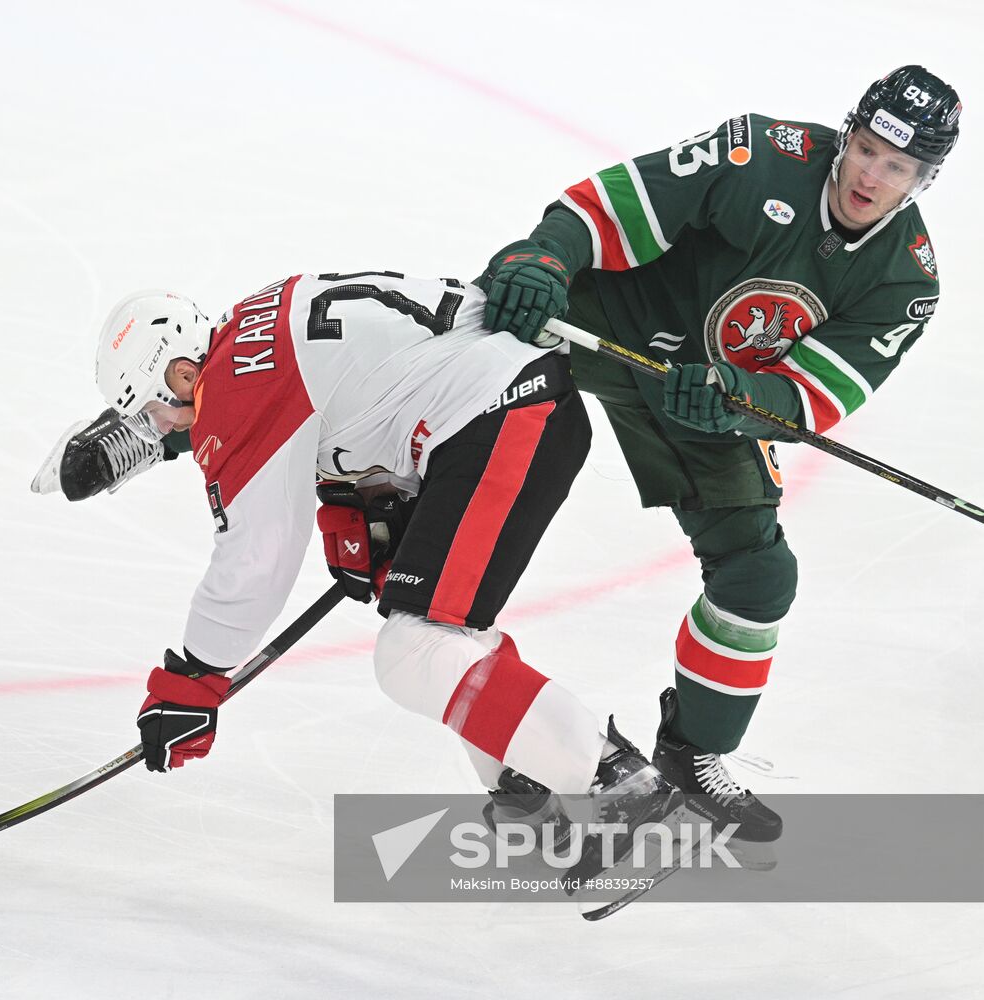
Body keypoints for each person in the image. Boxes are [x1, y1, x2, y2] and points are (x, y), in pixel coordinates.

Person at [475, 65, 962, 847]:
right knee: (465, 383)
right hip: (592, 321)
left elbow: (815, 393)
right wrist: (542, 260)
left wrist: (739, 396)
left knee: (758, 573)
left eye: (897, 166)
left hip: (700, 396)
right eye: (866, 148)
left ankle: (689, 755)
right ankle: (506, 743)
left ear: (922, 178)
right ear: (848, 133)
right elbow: (609, 207)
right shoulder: (757, 155)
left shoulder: (904, 278)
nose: (871, 175)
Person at [79, 274, 683, 881]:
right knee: (440, 633)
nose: (166, 427)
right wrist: (367, 510)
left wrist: (195, 676)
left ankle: (618, 783)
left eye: (157, 410)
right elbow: (374, 388)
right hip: (499, 408)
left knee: (413, 648)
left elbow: (257, 555)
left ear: (183, 373)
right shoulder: (254, 328)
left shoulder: (234, 387)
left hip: (503, 417)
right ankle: (529, 782)